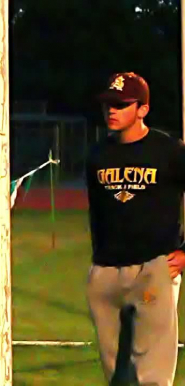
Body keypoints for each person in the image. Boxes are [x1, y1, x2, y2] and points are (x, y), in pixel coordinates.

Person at [85, 72, 185, 385]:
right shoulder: (98, 154)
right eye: (107, 104)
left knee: (153, 376)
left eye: (121, 104)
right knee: (117, 376)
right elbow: (97, 214)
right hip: (106, 272)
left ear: (142, 109)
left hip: (154, 267)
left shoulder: (169, 151)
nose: (111, 110)